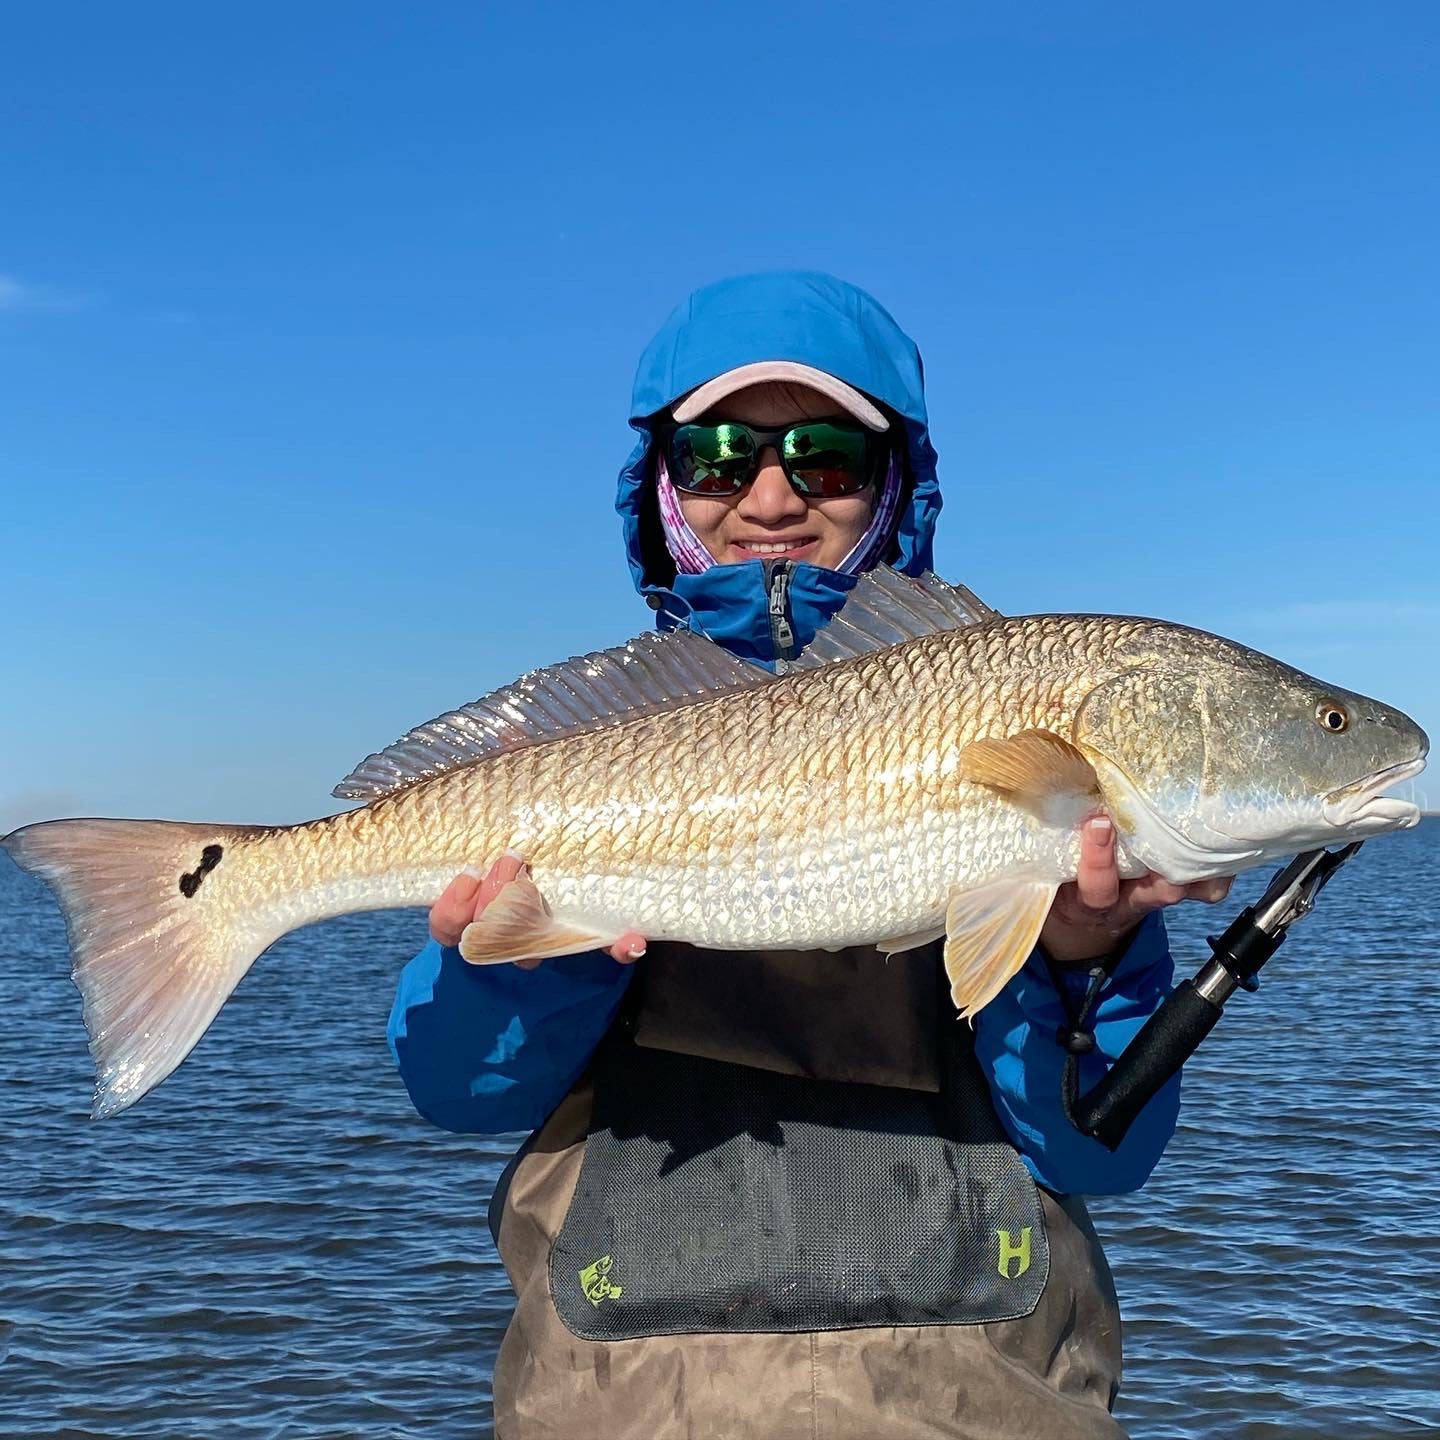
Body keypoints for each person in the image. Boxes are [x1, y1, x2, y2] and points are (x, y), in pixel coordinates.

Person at [388, 271, 1230, 1439]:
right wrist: (526, 952)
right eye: (720, 455)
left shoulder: (1045, 764)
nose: (773, 495)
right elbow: (457, 1088)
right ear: (661, 489)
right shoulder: (584, 743)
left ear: (896, 484)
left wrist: (1085, 948)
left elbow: (1100, 1156)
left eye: (828, 455)